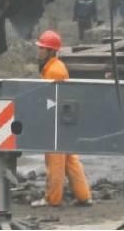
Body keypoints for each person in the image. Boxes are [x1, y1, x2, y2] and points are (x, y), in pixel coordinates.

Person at [30, 31, 93, 208]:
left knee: (55, 162)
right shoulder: (52, 67)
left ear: (50, 51)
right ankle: (83, 196)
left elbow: (53, 99)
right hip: (64, 121)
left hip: (56, 122)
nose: (39, 51)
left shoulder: (54, 70)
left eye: (42, 48)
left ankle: (53, 199)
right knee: (70, 160)